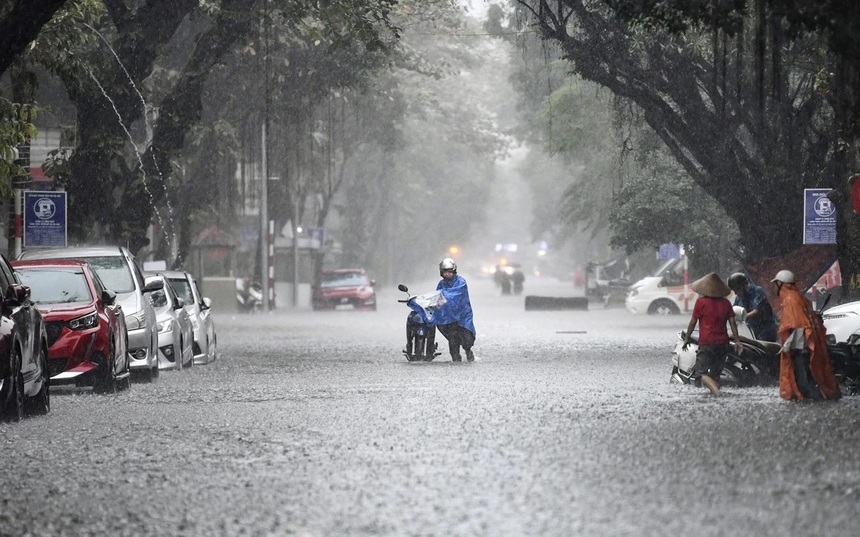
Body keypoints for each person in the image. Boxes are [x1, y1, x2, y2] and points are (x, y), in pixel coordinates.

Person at [771, 269, 841, 401]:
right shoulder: (797, 297)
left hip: (801, 347)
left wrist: (791, 346)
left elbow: (797, 325)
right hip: (804, 345)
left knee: (804, 380)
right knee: (807, 377)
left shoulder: (791, 299)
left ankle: (817, 401)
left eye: (776, 283)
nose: (775, 287)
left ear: (781, 283)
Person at [682, 273, 742, 396]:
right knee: (715, 374)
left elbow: (693, 322)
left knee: (700, 373)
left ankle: (716, 391)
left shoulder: (701, 302)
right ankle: (715, 393)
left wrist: (687, 338)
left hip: (707, 343)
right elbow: (732, 323)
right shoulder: (726, 303)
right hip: (723, 344)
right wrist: (737, 340)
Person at [435, 258, 476, 362]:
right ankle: (456, 359)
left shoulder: (461, 282)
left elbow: (455, 295)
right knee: (453, 339)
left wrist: (444, 295)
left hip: (462, 315)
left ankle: (468, 351)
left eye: (449, 271)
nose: (447, 274)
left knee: (467, 339)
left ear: (453, 271)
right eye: (445, 272)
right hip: (449, 316)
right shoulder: (441, 284)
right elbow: (438, 297)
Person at [727, 272, 777, 342]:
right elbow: (734, 310)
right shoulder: (739, 298)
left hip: (765, 330)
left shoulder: (757, 291)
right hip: (752, 331)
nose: (735, 293)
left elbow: (756, 310)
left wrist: (744, 317)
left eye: (737, 289)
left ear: (744, 286)